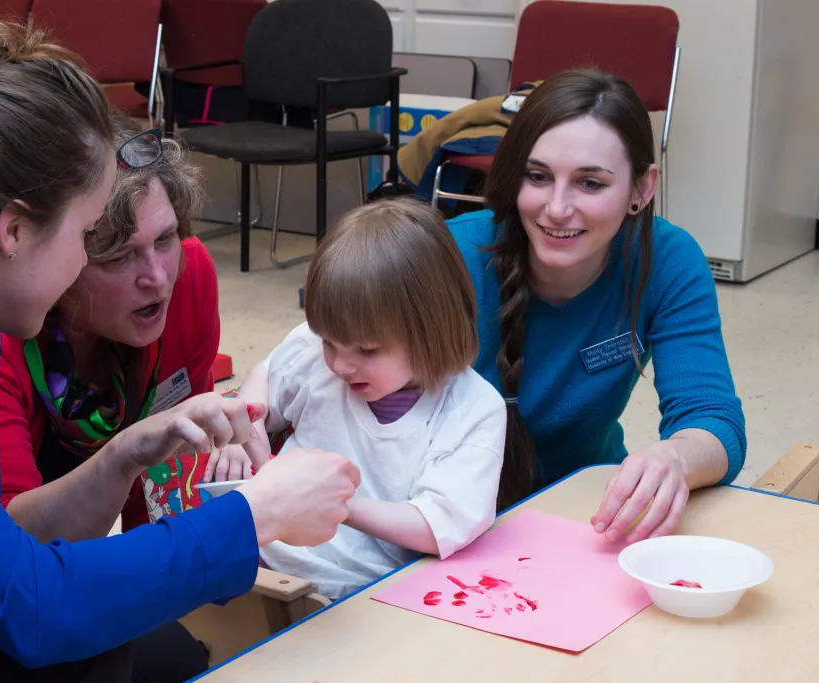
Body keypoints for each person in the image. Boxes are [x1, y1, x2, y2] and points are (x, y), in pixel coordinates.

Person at [0, 10, 359, 682]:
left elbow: (0, 553)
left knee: (162, 651)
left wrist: (118, 456)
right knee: (95, 651)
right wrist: (257, 512)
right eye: (91, 232)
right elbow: (33, 604)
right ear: (14, 231)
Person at [447, 68, 746, 542]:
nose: (558, 208)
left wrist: (674, 457)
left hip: (589, 513)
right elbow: (337, 373)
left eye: (590, 183)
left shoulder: (666, 260)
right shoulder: (451, 255)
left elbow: (713, 419)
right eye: (538, 176)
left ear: (641, 190)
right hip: (446, 517)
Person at [207, 200, 507, 600]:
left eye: (367, 350)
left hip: (359, 595)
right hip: (258, 564)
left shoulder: (472, 409)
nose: (339, 364)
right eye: (330, 341)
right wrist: (247, 425)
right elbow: (266, 372)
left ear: (432, 333)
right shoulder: (316, 352)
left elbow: (436, 528)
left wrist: (330, 503)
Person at [0, 117, 222, 540]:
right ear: (57, 261)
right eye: (118, 257)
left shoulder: (190, 279)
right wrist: (124, 456)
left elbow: (167, 489)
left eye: (165, 238)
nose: (157, 278)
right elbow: (9, 547)